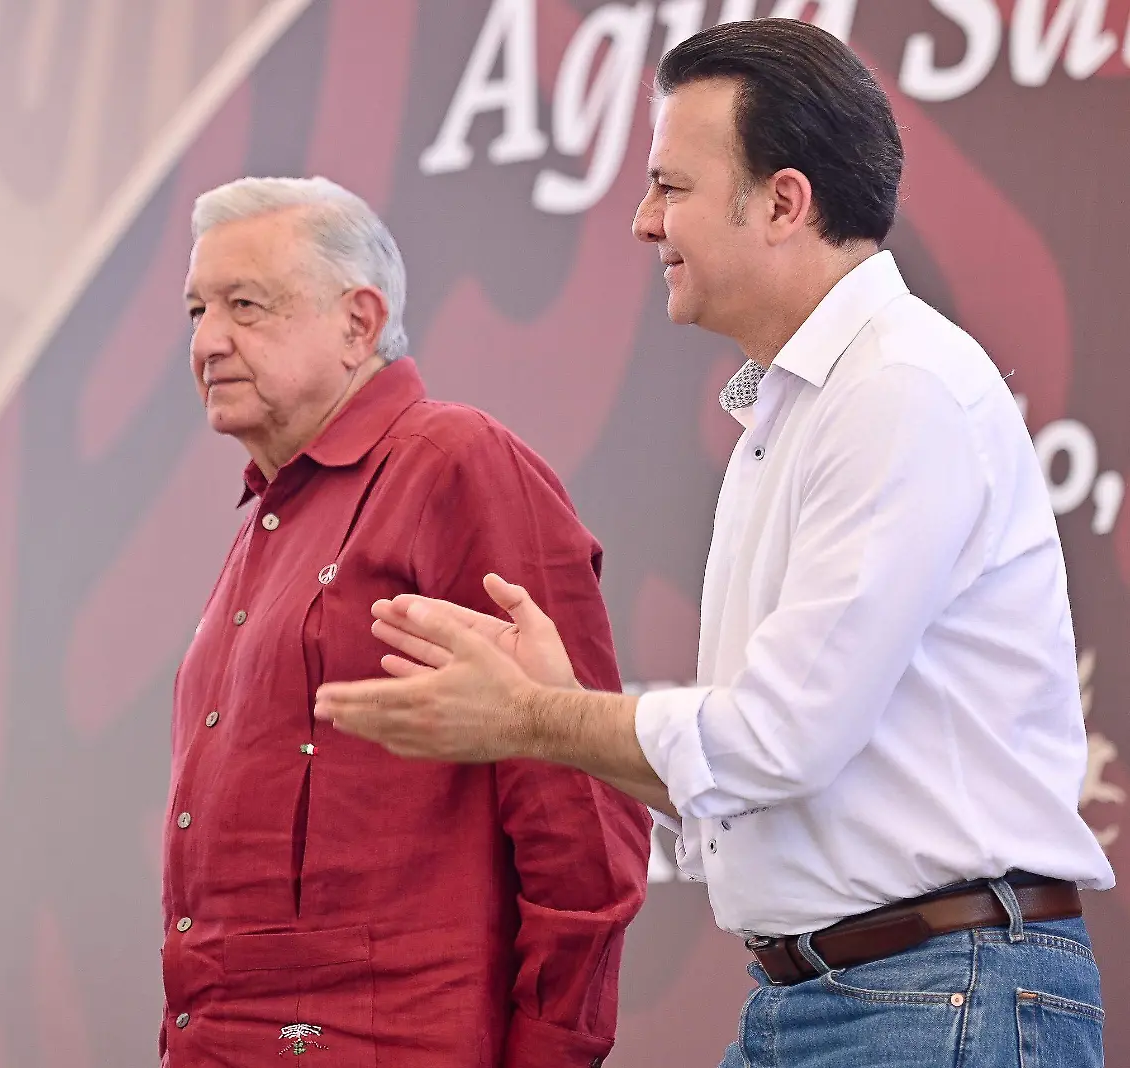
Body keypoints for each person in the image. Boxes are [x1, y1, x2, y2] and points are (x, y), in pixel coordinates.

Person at [314, 19, 1114, 1068]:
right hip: (855, 996)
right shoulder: (807, 408)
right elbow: (759, 776)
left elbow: (781, 738)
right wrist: (557, 715)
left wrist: (538, 715)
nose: (644, 223)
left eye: (670, 187)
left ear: (783, 202)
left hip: (933, 998)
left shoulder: (897, 391)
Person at [163, 176, 649, 1068]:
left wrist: (549, 1052)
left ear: (359, 321)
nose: (207, 342)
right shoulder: (265, 524)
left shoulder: (453, 462)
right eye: (196, 309)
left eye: (244, 305)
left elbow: (582, 806)